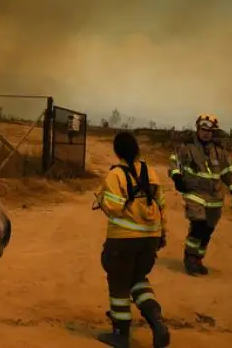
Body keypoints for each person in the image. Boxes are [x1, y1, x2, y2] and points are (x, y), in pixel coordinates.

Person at [93, 131, 171, 348]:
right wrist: (162, 233)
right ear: (136, 149)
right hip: (150, 237)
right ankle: (156, 320)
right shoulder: (151, 172)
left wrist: (101, 199)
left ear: (117, 152)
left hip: (124, 239)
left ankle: (120, 333)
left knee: (118, 281)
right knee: (138, 278)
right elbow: (162, 206)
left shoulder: (115, 175)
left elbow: (114, 208)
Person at [168, 113, 232, 275]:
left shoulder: (220, 152)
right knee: (198, 224)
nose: (206, 133)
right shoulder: (186, 147)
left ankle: (198, 259)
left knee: (207, 230)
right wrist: (176, 176)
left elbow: (227, 173)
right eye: (203, 129)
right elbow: (174, 162)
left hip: (215, 198)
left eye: (210, 131)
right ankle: (190, 257)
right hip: (194, 193)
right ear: (197, 129)